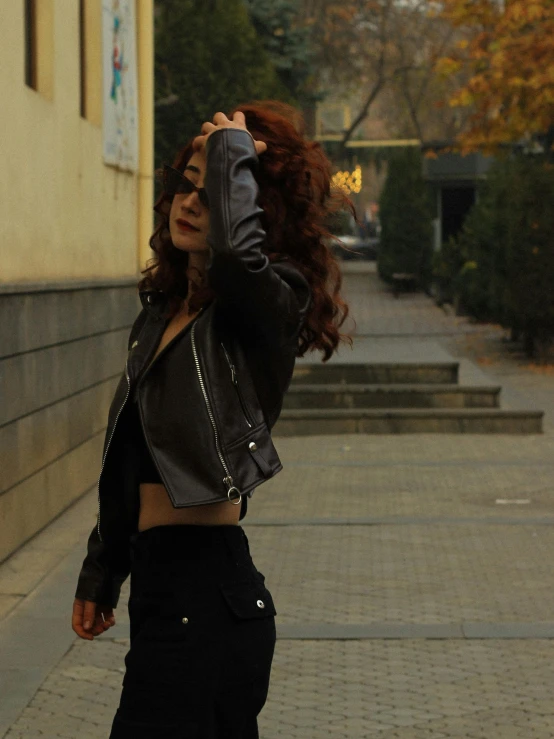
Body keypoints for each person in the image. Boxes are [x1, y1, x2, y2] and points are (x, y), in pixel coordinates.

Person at [71, 101, 353, 738]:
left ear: (256, 212)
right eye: (186, 184)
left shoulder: (270, 304)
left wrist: (230, 148)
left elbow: (235, 262)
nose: (191, 202)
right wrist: (102, 570)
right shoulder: (161, 316)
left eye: (218, 188)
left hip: (208, 594)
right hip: (162, 588)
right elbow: (127, 460)